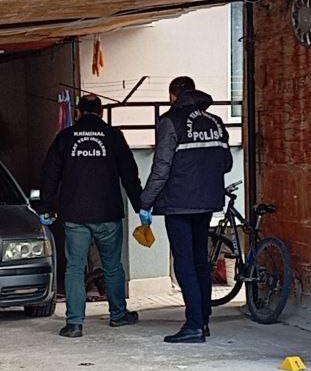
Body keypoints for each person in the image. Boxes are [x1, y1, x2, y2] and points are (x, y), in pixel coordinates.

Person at [40, 94, 145, 338]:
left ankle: (74, 324)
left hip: (75, 215)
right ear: (101, 112)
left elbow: (50, 174)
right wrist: (141, 205)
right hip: (107, 213)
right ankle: (118, 315)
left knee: (75, 268)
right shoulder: (113, 136)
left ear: (77, 112)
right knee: (112, 266)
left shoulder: (65, 137)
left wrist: (46, 207)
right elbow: (130, 173)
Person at [139, 76, 233, 344]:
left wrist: (146, 201)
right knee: (200, 260)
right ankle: (203, 320)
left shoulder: (170, 121)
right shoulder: (216, 121)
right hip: (207, 201)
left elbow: (161, 167)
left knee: (184, 263)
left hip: (178, 202)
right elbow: (226, 163)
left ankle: (193, 325)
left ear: (173, 96)